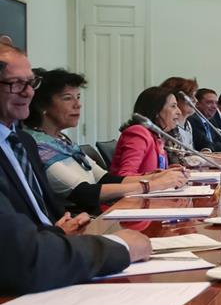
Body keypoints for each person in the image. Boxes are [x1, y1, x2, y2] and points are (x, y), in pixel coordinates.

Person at [0, 42, 148, 293]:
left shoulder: (20, 141)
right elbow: (21, 257)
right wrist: (118, 247)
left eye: (31, 83)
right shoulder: (36, 141)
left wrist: (58, 230)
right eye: (16, 84)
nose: (28, 93)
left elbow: (43, 214)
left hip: (53, 256)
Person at [27, 68, 185, 215]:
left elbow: (104, 178)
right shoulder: (37, 145)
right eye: (68, 98)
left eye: (78, 97)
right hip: (84, 222)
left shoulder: (61, 140)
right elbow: (84, 193)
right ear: (42, 105)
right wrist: (152, 185)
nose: (78, 104)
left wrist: (156, 177)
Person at [110, 87, 178, 176]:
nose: (179, 112)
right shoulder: (138, 132)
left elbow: (152, 169)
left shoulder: (157, 136)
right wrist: (158, 177)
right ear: (156, 111)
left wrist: (169, 171)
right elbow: (124, 175)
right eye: (173, 106)